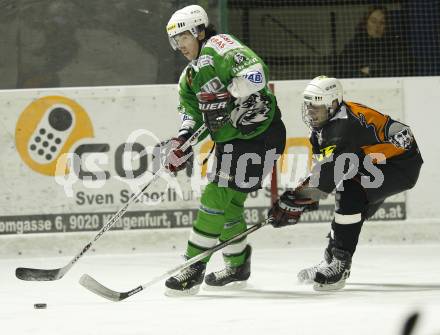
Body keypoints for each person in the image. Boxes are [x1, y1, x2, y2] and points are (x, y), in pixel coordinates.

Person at [163, 5, 286, 295]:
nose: (179, 45)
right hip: (231, 142)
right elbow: (191, 115)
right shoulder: (189, 77)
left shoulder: (219, 46)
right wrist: (181, 140)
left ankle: (193, 266)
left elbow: (257, 74)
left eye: (183, 36)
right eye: (174, 40)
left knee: (216, 193)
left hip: (260, 135)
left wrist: (228, 93)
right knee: (229, 205)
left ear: (199, 30)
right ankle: (237, 263)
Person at [269, 76, 423, 291]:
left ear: (333, 104)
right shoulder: (322, 129)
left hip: (400, 165)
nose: (311, 112)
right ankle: (332, 258)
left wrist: (295, 200)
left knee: (349, 191)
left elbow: (327, 178)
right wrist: (300, 200)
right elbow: (321, 173)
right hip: (375, 162)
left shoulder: (347, 125)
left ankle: (340, 263)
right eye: (309, 106)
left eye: (317, 106)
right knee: (348, 206)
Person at [336, 6, 411, 78]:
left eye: (382, 22)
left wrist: (371, 70)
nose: (377, 26)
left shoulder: (395, 46)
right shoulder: (354, 46)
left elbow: (402, 69)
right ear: (366, 22)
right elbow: (343, 71)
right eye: (373, 21)